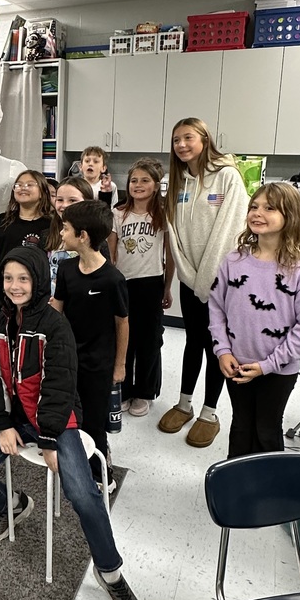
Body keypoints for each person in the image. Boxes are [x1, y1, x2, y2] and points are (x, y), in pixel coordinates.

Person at [0, 246, 145, 600]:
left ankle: (111, 575)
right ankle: (14, 503)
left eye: (23, 278)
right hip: (16, 420)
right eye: (8, 278)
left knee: (83, 494)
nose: (15, 285)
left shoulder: (56, 326)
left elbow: (61, 386)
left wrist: (48, 439)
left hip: (58, 423)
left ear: (39, 280)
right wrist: (3, 422)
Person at [208, 183, 300, 458]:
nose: (258, 213)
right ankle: (236, 484)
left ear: (290, 216)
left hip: (277, 370)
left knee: (266, 430)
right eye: (254, 207)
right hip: (236, 363)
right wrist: (222, 350)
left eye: (269, 208)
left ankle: (268, 491)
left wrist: (267, 365)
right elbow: (216, 306)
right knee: (241, 426)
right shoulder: (234, 261)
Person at [160, 117, 249, 447]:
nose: (181, 145)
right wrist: (187, 274)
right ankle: (184, 403)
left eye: (188, 137)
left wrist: (207, 280)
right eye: (176, 140)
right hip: (189, 277)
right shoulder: (179, 182)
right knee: (192, 341)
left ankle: (209, 412)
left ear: (205, 139)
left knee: (217, 347)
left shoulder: (226, 176)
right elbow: (176, 234)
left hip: (219, 281)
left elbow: (229, 232)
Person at [51, 201, 128, 486]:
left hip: (99, 364)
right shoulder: (66, 268)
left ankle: (99, 473)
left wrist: (119, 365)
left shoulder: (113, 279)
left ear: (82, 236)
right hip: (69, 358)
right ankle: (73, 460)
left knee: (95, 422)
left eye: (66, 228)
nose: (61, 233)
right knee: (71, 414)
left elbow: (123, 322)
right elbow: (57, 307)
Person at [109, 159, 174, 417]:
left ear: (156, 186)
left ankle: (144, 392)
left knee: (148, 341)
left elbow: (170, 258)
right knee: (125, 340)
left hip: (151, 283)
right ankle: (124, 389)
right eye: (134, 180)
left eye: (145, 180)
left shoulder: (163, 215)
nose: (138, 185)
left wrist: (167, 288)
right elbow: (112, 252)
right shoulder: (118, 213)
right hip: (123, 283)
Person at [0, 169, 57, 320]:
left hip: (39, 293)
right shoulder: (2, 220)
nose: (23, 187)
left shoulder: (51, 224)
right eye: (18, 185)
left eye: (30, 184)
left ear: (43, 191)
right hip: (7, 290)